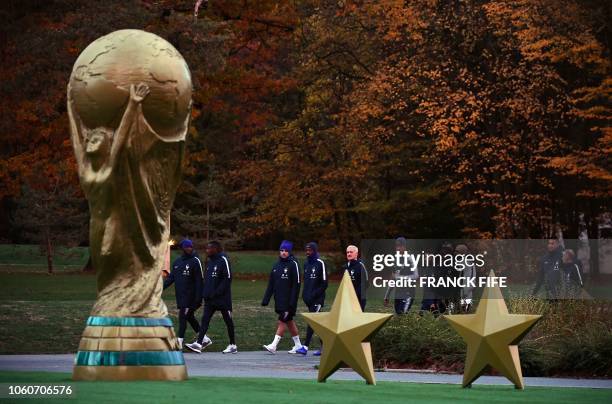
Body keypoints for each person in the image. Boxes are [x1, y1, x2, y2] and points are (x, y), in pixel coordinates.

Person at [186, 241, 237, 354]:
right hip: (210, 299)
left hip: (223, 299)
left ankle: (233, 345)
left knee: (228, 321)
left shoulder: (223, 260)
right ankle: (199, 343)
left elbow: (227, 278)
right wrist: (205, 293)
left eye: (209, 249)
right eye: (206, 248)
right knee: (205, 320)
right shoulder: (209, 262)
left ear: (216, 249)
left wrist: (216, 292)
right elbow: (207, 280)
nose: (207, 250)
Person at [163, 239, 210, 349]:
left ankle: (179, 343)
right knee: (189, 317)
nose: (189, 248)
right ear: (182, 248)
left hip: (191, 297)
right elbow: (171, 278)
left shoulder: (195, 261)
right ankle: (205, 339)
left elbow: (200, 281)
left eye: (190, 247)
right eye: (187, 247)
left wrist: (199, 298)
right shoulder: (177, 262)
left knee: (183, 316)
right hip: (181, 296)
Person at [262, 240, 303, 354]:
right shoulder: (276, 265)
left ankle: (273, 345)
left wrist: (292, 302)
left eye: (286, 251)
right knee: (289, 321)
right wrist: (266, 299)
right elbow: (271, 284)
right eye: (282, 250)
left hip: (289, 301)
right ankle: (298, 345)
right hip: (279, 300)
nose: (284, 252)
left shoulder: (293, 264)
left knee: (282, 321)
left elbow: (296, 285)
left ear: (290, 252)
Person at [296, 242, 328, 356]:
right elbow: (307, 282)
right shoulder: (306, 264)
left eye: (310, 250)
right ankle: (326, 346)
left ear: (314, 251)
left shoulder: (320, 263)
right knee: (317, 323)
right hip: (308, 300)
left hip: (318, 300)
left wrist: (315, 295)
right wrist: (305, 295)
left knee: (312, 321)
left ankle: (305, 347)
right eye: (306, 250)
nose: (307, 252)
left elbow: (325, 283)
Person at [384, 237, 418, 314]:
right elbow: (393, 279)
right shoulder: (395, 260)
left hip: (408, 293)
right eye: (397, 246)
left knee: (402, 314)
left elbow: (416, 276)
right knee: (398, 314)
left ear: (404, 247)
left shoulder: (410, 258)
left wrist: (400, 278)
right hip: (398, 294)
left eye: (400, 246)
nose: (398, 248)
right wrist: (387, 296)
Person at [344, 245, 368, 310]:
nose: (349, 254)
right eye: (347, 252)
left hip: (358, 300)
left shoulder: (361, 265)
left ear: (356, 254)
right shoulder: (346, 267)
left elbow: (365, 284)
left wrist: (355, 295)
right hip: (347, 300)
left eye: (351, 252)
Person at [455, 244, 475, 312]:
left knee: (466, 305)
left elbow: (472, 275)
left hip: (467, 286)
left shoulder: (466, 261)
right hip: (464, 285)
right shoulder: (465, 260)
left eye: (457, 251)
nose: (455, 253)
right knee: (463, 305)